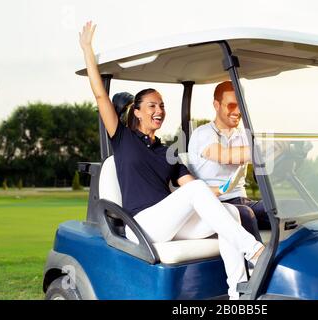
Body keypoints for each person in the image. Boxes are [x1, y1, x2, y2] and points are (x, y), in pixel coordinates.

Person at [78, 21, 264, 299]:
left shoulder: (168, 151)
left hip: (170, 223)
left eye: (162, 106)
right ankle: (254, 250)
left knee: (232, 213)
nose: (159, 110)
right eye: (152, 105)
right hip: (142, 224)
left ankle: (238, 294)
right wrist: (87, 50)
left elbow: (194, 187)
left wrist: (223, 190)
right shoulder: (123, 138)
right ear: (137, 113)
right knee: (201, 195)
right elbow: (100, 95)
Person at [188, 81, 271, 243]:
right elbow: (224, 156)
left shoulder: (242, 135)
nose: (238, 111)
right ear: (216, 105)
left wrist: (285, 152)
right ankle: (258, 264)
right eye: (232, 105)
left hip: (242, 200)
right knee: (245, 214)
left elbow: (260, 160)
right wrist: (266, 148)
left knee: (287, 207)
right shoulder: (203, 133)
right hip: (214, 203)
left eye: (240, 105)